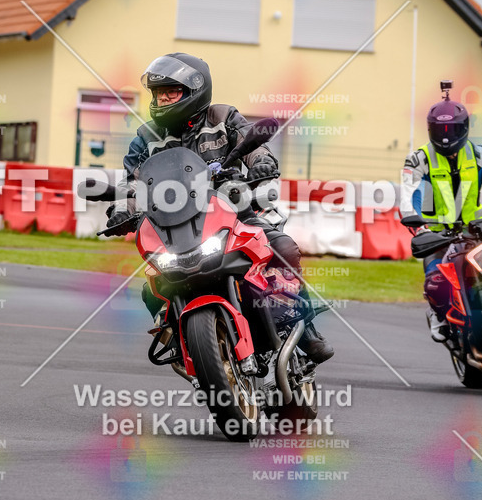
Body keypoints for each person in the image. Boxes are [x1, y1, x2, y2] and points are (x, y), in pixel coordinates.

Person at [106, 52, 333, 364]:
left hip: (233, 207)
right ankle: (176, 336)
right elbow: (132, 184)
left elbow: (255, 147)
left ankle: (305, 328)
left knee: (281, 246)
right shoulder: (146, 138)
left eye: (171, 92)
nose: (162, 100)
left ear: (194, 91)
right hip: (176, 225)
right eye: (158, 94)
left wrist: (261, 161)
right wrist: (122, 209)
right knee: (152, 286)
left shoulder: (223, 117)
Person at [401, 82, 482, 342]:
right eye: (439, 129)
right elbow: (409, 195)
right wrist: (419, 226)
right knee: (436, 283)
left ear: (464, 128)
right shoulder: (418, 159)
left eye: (451, 128)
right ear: (430, 129)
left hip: (480, 230)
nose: (446, 135)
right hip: (439, 236)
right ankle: (438, 315)